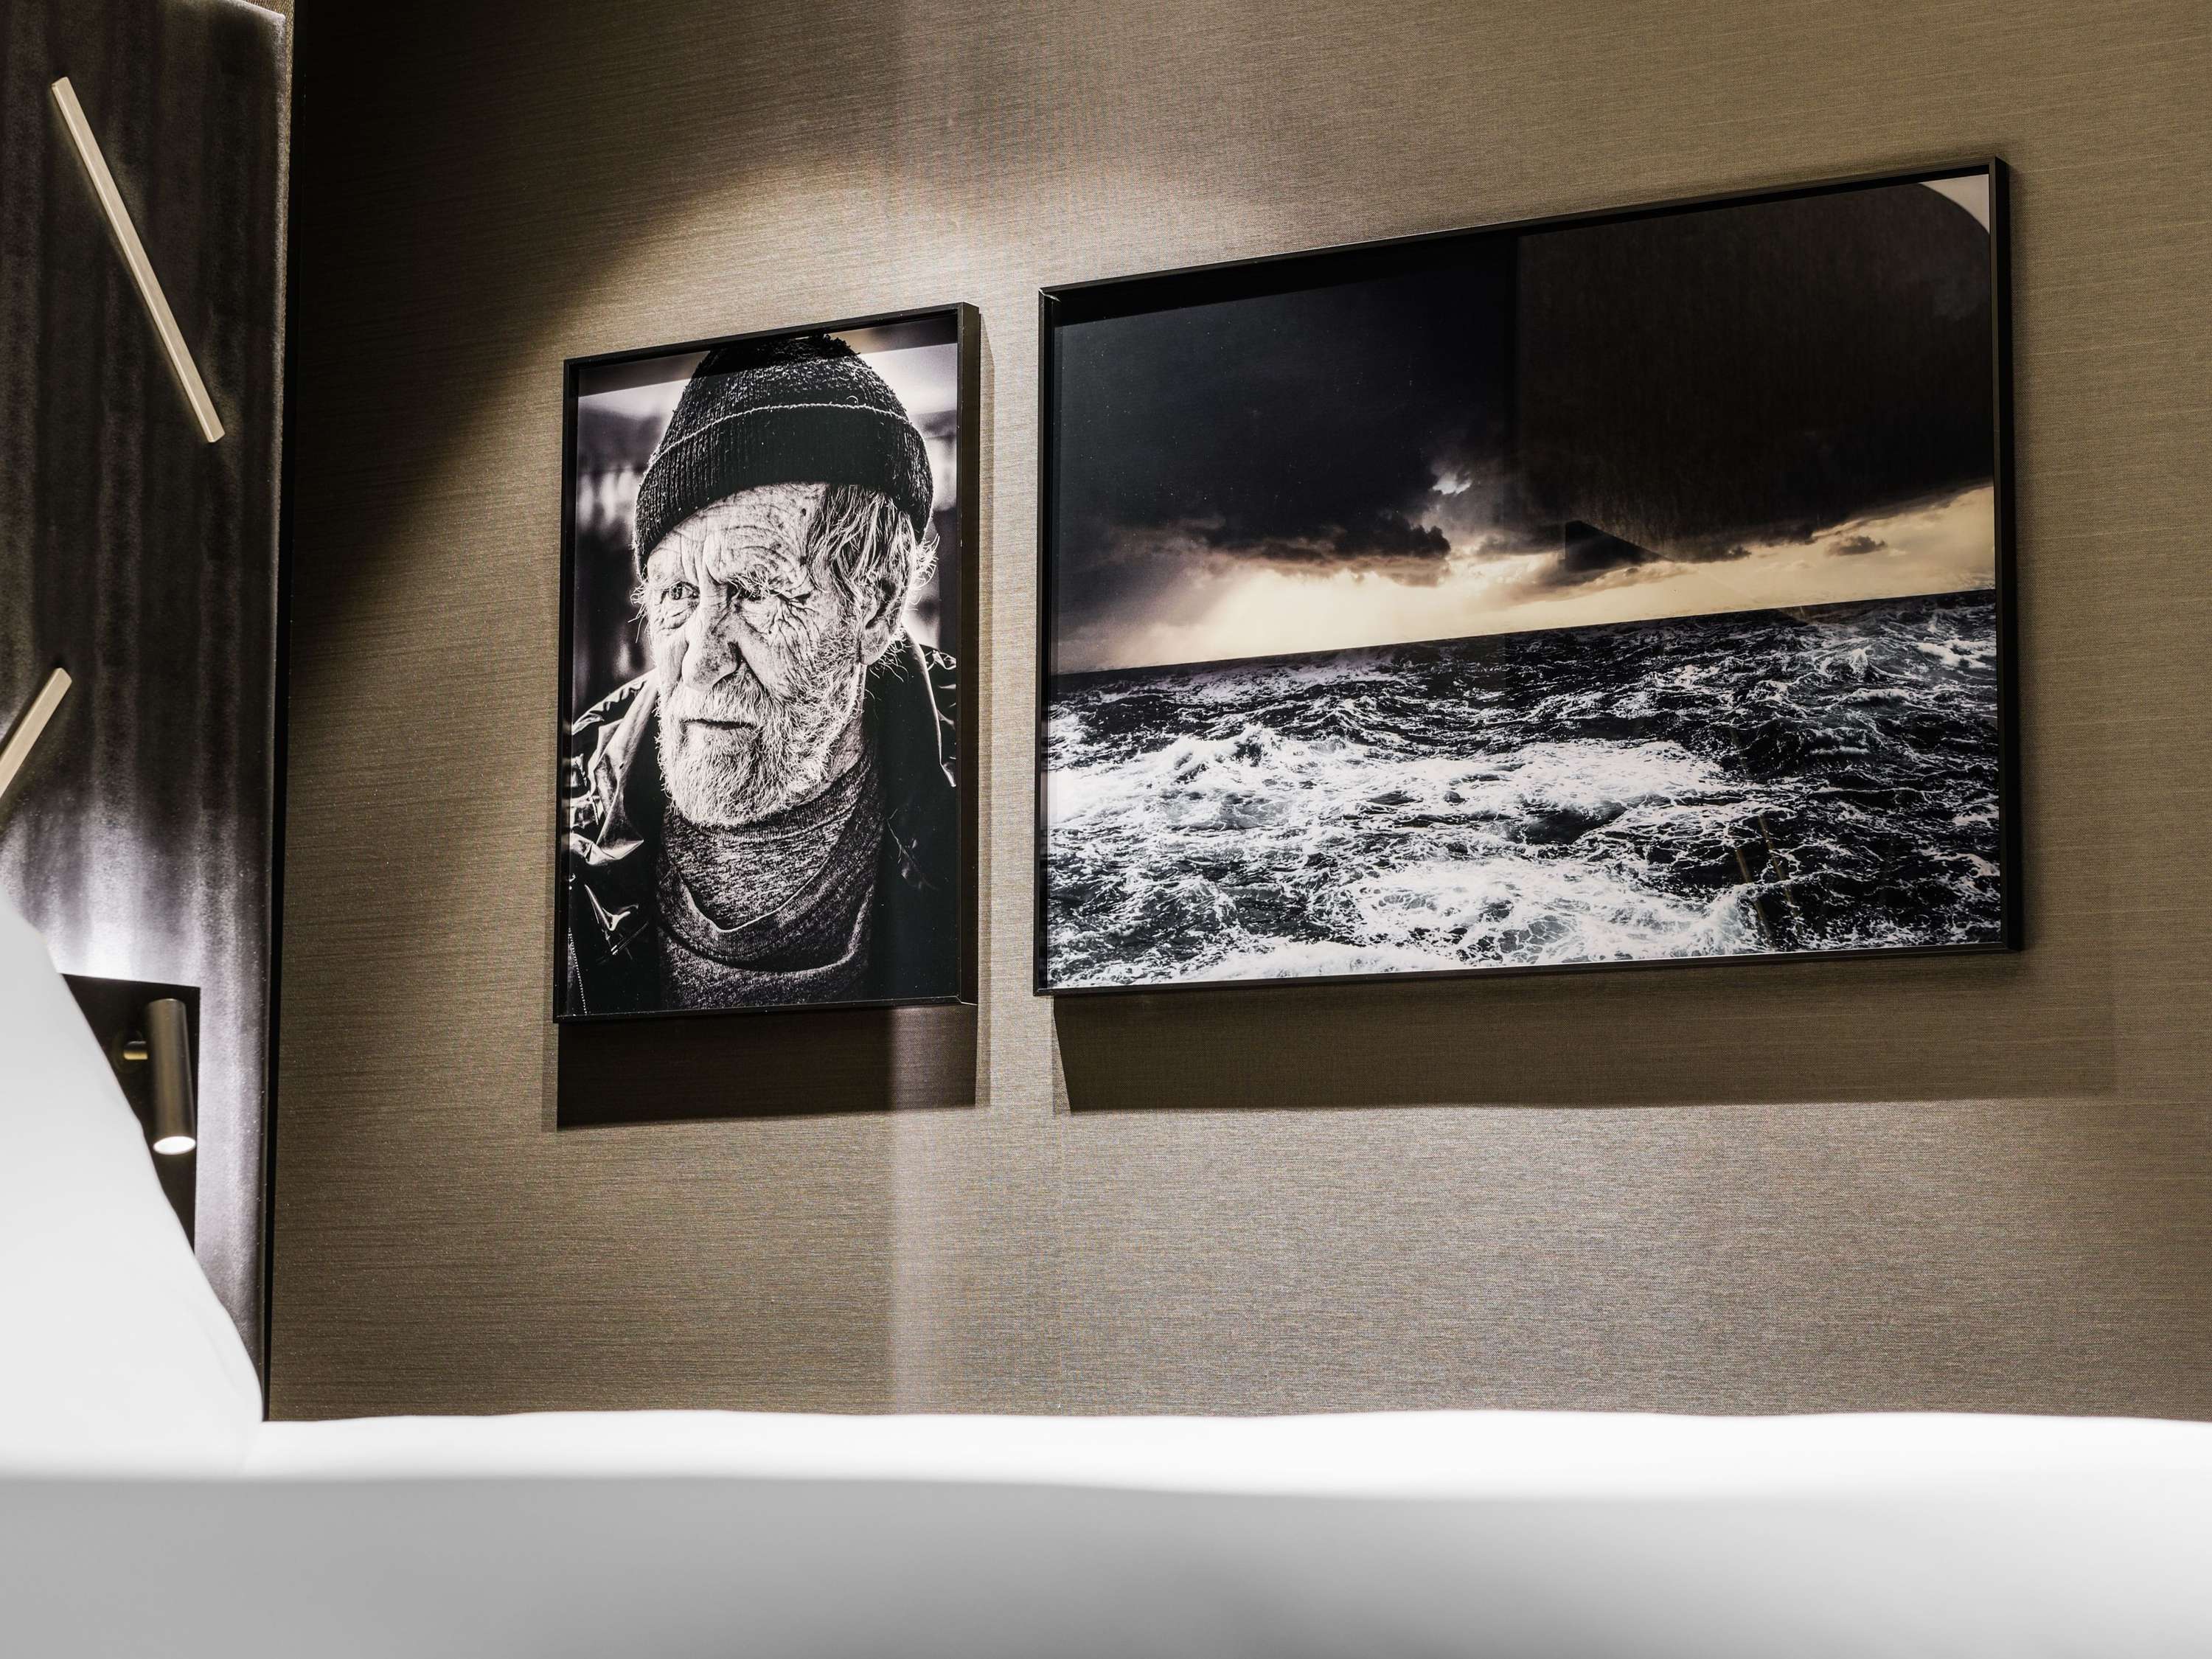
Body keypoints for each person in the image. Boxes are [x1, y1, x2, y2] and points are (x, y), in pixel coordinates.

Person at [563, 334, 957, 1014]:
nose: (701, 659)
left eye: (753, 592)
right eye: (677, 595)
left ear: (876, 609)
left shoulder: (996, 782)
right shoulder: (565, 804)